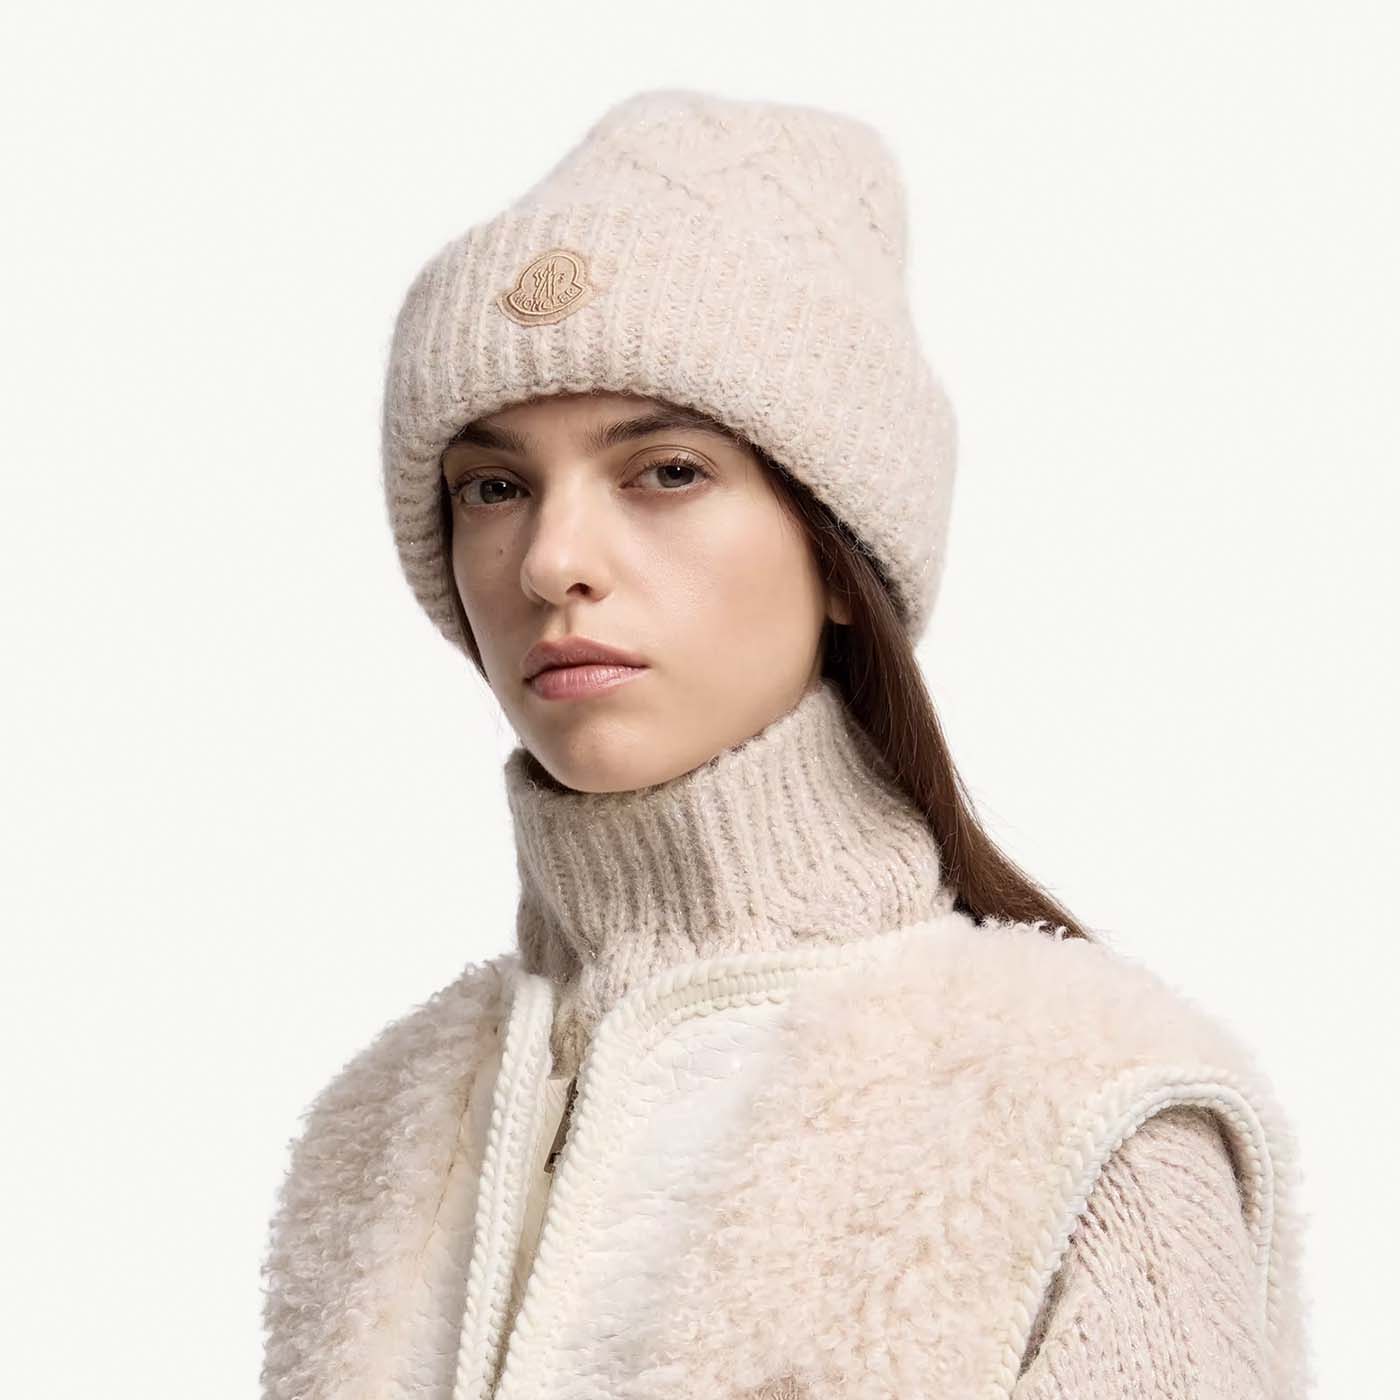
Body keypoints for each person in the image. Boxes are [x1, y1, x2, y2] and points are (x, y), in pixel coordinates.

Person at [260, 89, 1312, 1400]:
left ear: (837, 553)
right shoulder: (378, 1136)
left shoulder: (1084, 1111)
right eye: (495, 486)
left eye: (667, 471)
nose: (550, 560)